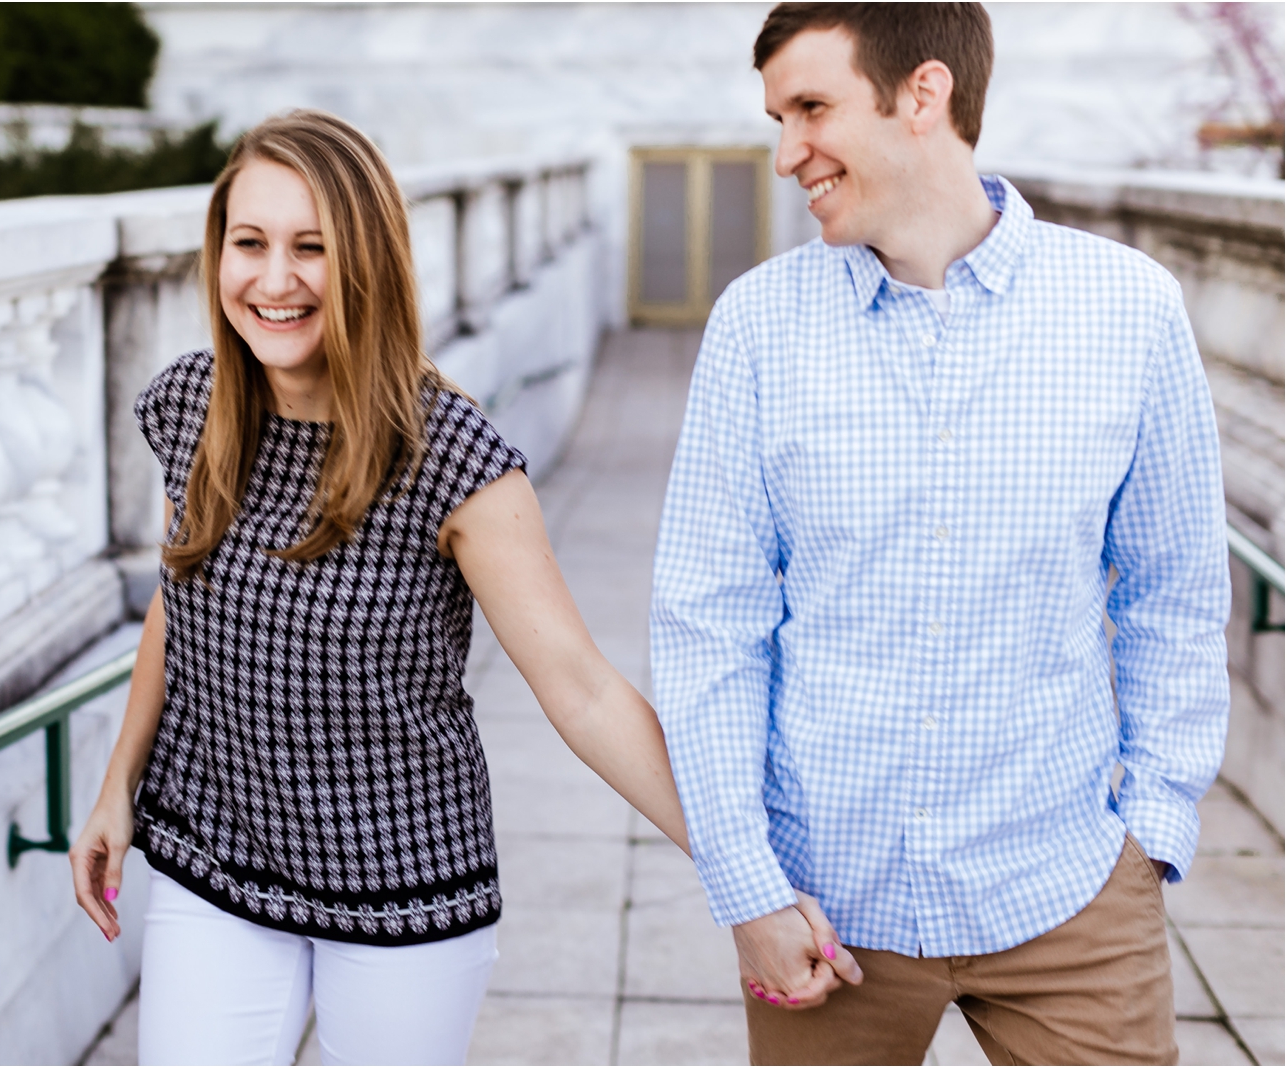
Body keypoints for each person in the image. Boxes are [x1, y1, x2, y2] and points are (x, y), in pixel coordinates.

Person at [649, 4, 1230, 1064]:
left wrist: (1153, 830)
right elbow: (709, 626)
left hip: (1069, 896)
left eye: (811, 109)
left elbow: (1175, 590)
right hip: (825, 914)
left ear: (923, 95)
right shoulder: (755, 327)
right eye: (777, 117)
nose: (785, 155)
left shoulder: (1129, 312)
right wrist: (747, 886)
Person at [69, 109, 690, 1067]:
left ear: (367, 262)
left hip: (401, 885)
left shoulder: (453, 459)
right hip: (218, 856)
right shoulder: (191, 408)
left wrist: (739, 863)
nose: (274, 281)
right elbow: (178, 597)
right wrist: (118, 787)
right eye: (250, 243)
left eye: (311, 248)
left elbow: (581, 686)